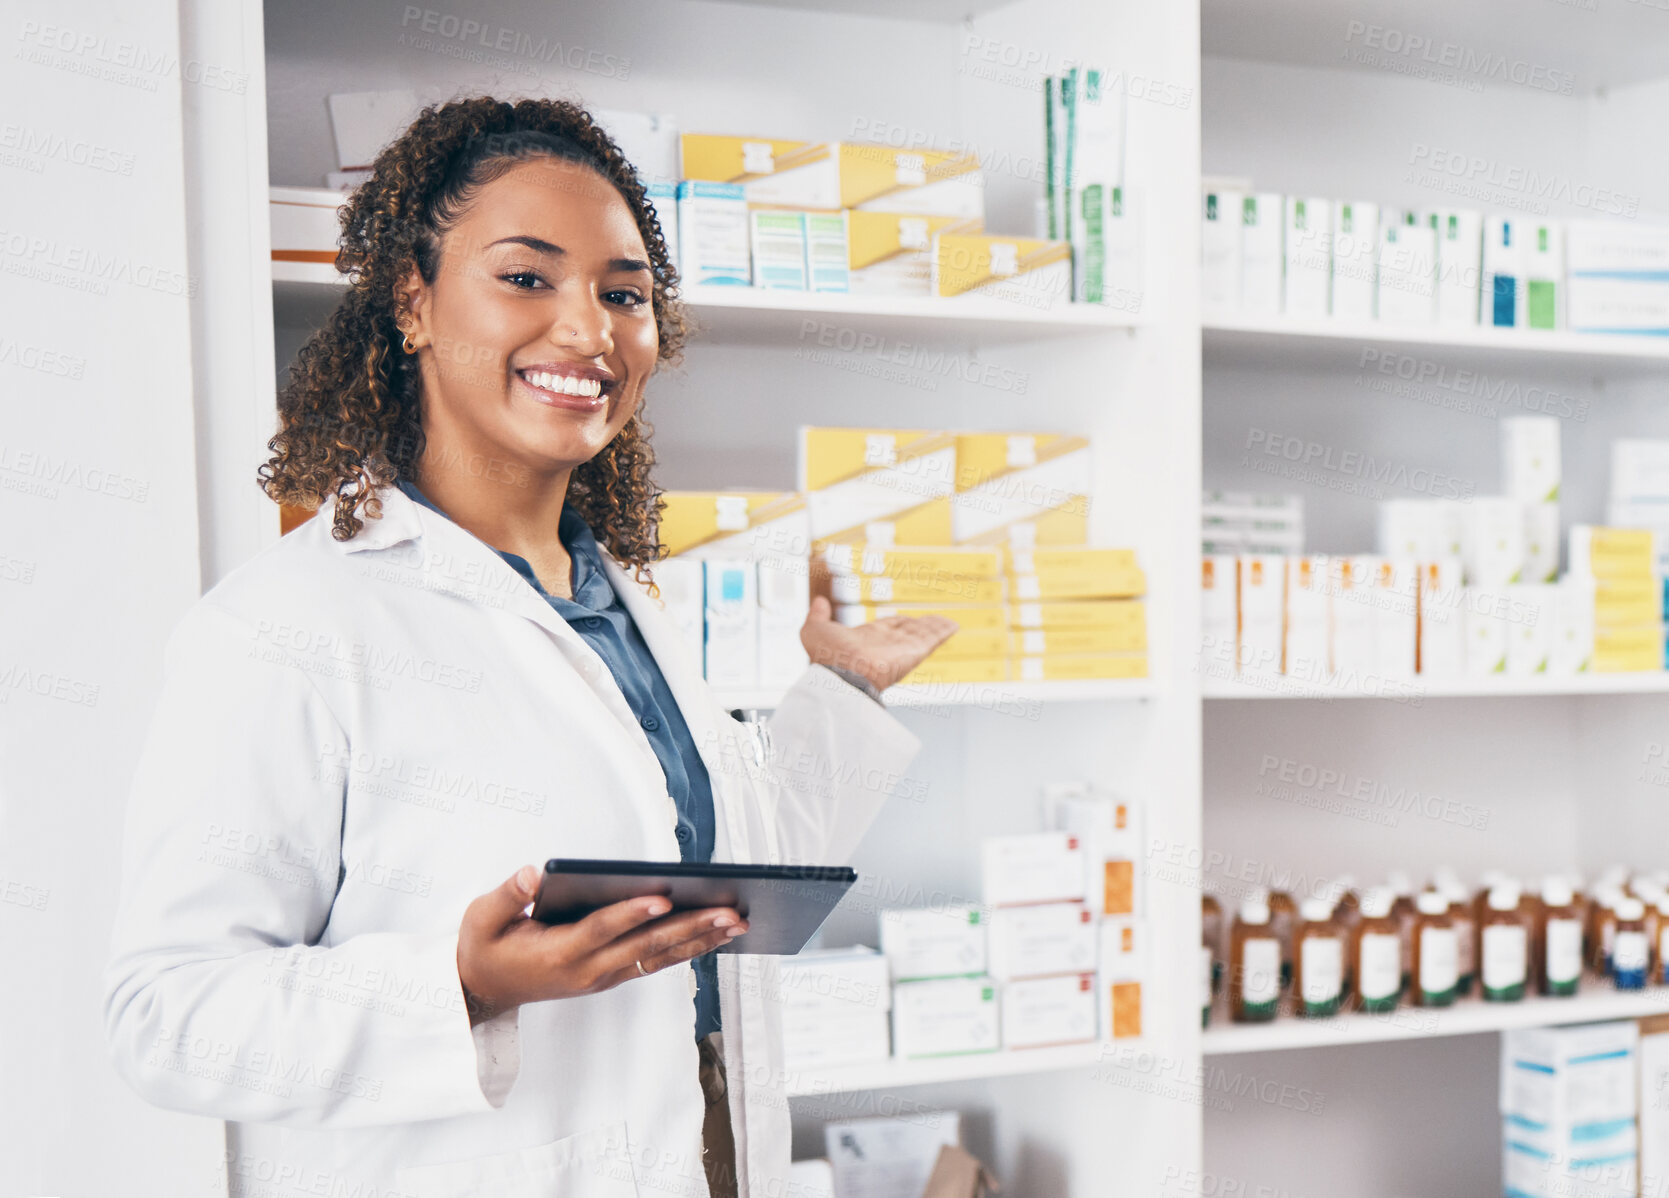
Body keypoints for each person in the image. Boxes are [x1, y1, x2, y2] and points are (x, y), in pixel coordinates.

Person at [102, 96, 955, 1198]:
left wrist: (841, 687)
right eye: (526, 276)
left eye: (625, 294)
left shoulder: (619, 601)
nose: (589, 330)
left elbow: (713, 887)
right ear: (412, 300)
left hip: (710, 1154)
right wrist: (455, 982)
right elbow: (164, 1015)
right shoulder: (287, 624)